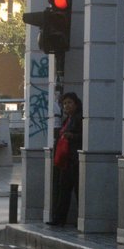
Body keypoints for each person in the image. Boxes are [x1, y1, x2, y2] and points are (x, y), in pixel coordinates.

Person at [47, 92, 83, 226]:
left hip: (75, 160)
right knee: (63, 190)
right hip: (66, 160)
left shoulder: (80, 118)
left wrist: (71, 136)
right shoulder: (67, 119)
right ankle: (59, 219)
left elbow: (84, 136)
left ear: (76, 104)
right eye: (64, 104)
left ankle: (80, 219)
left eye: (69, 103)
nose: (66, 106)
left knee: (78, 191)